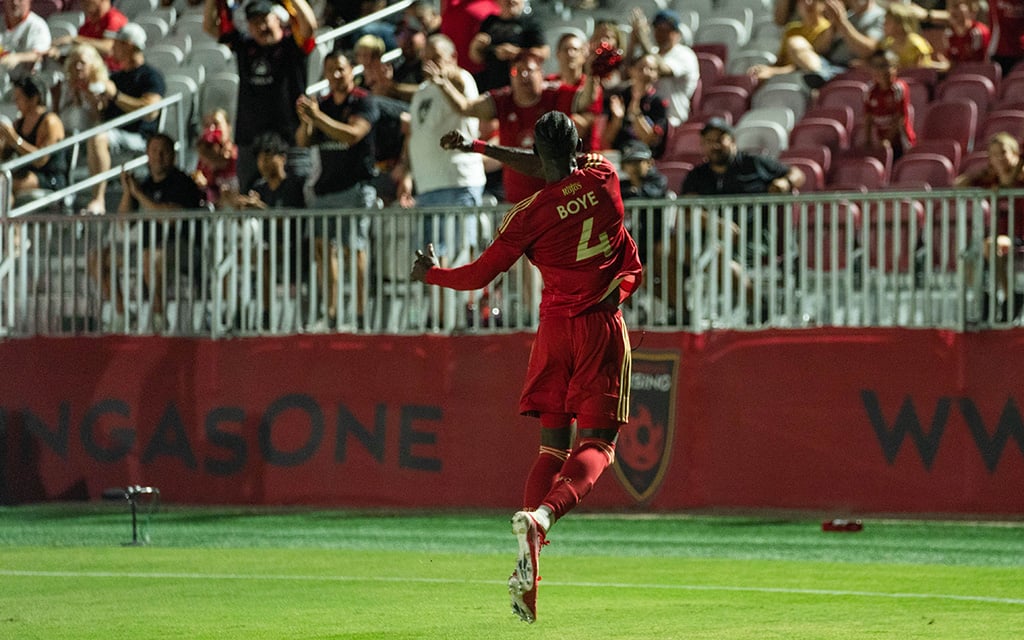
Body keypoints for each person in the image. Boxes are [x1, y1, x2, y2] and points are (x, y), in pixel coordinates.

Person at [411, 110, 642, 624]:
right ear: (579, 145)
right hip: (599, 325)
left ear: (539, 157)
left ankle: (531, 567)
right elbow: (556, 165)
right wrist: (479, 147)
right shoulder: (604, 176)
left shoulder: (527, 216)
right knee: (598, 445)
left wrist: (433, 275)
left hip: (554, 334)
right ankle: (542, 517)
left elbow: (478, 277)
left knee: (551, 448)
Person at [432, 49, 600, 203]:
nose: (523, 76)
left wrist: (592, 74)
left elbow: (587, 100)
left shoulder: (555, 94)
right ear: (510, 77)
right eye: (517, 71)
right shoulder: (502, 100)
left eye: (529, 70)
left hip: (556, 199)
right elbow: (466, 108)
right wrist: (444, 85)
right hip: (518, 203)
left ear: (541, 74)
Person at [682, 118, 805, 317]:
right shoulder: (697, 175)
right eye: (708, 141)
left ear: (732, 141)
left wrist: (786, 182)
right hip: (710, 239)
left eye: (719, 139)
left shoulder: (754, 164)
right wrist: (715, 224)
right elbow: (687, 206)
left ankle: (760, 307)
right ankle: (682, 314)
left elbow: (798, 174)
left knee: (716, 256)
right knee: (669, 249)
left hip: (754, 238)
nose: (714, 145)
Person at [295, 49, 379, 329]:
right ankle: (330, 314)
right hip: (325, 190)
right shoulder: (324, 104)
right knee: (323, 251)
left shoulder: (364, 102)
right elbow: (303, 142)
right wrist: (307, 118)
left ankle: (359, 314)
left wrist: (317, 117)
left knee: (354, 249)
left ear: (351, 70)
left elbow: (353, 134)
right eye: (330, 69)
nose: (336, 74)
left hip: (355, 187)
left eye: (341, 68)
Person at [90, 133, 205, 331]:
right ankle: (121, 313)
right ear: (147, 154)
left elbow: (167, 215)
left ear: (173, 156)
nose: (159, 157)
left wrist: (140, 196)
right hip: (144, 248)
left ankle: (158, 318)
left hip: (181, 248)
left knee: (152, 257)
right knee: (98, 258)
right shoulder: (145, 185)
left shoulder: (183, 183)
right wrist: (128, 192)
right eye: (154, 151)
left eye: (164, 152)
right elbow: (123, 222)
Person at [203, 0, 318, 192]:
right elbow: (209, 26)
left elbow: (310, 27)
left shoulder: (293, 44)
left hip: (290, 139)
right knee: (250, 199)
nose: (261, 27)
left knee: (294, 199)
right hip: (251, 141)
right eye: (254, 23)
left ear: (277, 19)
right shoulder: (245, 47)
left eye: (265, 19)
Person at [83, 23, 165, 215]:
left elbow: (151, 111)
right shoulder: (116, 77)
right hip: (114, 133)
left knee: (98, 137)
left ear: (129, 45)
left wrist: (117, 96)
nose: (113, 48)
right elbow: (101, 114)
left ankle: (98, 198)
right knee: (96, 134)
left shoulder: (150, 76)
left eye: (117, 43)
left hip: (139, 137)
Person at [231, 131, 307, 330]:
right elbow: (248, 225)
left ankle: (265, 314)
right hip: (265, 246)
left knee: (264, 258)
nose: (263, 163)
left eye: (268, 157)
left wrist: (261, 210)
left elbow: (292, 224)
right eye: (259, 158)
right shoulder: (259, 188)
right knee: (234, 258)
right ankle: (236, 313)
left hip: (293, 248)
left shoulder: (294, 185)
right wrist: (238, 208)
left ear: (282, 158)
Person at [954, 131, 1024, 321]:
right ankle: (985, 300)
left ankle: (1011, 298)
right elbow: (958, 185)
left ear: (1015, 154)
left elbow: (1011, 186)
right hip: (998, 234)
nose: (998, 158)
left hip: (1019, 235)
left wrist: (1013, 175)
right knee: (968, 255)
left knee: (991, 245)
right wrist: (985, 173)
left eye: (1002, 152)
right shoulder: (991, 179)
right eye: (993, 154)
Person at [625, 8, 699, 128]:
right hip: (645, 116)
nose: (661, 34)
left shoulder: (685, 54)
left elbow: (661, 69)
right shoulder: (652, 52)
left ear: (677, 34)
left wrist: (643, 38)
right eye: (658, 29)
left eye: (667, 30)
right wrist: (633, 42)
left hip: (671, 121)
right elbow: (627, 73)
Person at [0, 76, 68, 197]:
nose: (16, 102)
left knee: (3, 183)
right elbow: (5, 155)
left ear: (33, 98)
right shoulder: (20, 122)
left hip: (49, 177)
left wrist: (14, 139)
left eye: (19, 98)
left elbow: (40, 160)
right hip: (25, 173)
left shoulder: (50, 122)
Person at [469, 0, 548, 92]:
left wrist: (518, 53)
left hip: (521, 86)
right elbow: (477, 58)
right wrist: (475, 46)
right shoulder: (489, 22)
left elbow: (544, 53)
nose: (510, 1)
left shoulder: (530, 23)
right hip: (493, 84)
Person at [802, 0, 886, 88]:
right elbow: (819, 49)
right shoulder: (846, 15)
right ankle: (821, 74)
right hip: (828, 66)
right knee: (798, 44)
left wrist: (842, 23)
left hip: (851, 72)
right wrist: (833, 25)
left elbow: (867, 50)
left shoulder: (879, 16)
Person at [601, 53, 670, 159]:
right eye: (641, 68)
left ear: (657, 75)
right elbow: (608, 138)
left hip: (645, 157)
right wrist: (617, 119)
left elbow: (649, 140)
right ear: (631, 70)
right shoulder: (620, 97)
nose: (645, 72)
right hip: (619, 154)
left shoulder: (658, 102)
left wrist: (636, 114)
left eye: (651, 69)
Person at [748, 0, 835, 82]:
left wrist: (773, 71)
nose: (808, 3)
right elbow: (780, 61)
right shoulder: (792, 29)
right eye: (802, 0)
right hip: (783, 77)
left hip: (803, 79)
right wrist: (764, 69)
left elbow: (806, 65)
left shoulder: (826, 30)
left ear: (823, 5)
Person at [862, 48, 915, 160]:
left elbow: (900, 117)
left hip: (900, 141)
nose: (881, 71)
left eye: (885, 66)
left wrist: (887, 139)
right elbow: (868, 116)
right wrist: (867, 140)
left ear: (895, 67)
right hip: (882, 141)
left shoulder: (898, 88)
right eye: (876, 66)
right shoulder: (869, 90)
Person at [48, 0, 128, 72]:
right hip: (90, 74)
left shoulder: (113, 18)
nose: (83, 2)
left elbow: (108, 48)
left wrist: (73, 39)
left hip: (113, 74)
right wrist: (57, 56)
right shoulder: (87, 26)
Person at [57, 43, 109, 135]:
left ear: (92, 65)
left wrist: (88, 94)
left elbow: (99, 118)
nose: (78, 67)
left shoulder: (99, 87)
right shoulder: (65, 85)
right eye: (74, 63)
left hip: (89, 134)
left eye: (82, 63)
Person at [193, 108, 239, 208]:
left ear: (228, 126)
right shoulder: (202, 156)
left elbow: (223, 162)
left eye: (216, 123)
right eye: (207, 125)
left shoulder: (235, 153)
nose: (211, 129)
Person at [0, 0, 51, 81]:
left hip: (26, 84)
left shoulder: (37, 25)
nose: (15, 2)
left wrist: (17, 58)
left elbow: (41, 55)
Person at [934, 0, 991, 71]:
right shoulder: (948, 34)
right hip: (958, 76)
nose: (952, 11)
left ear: (971, 11)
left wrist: (951, 65)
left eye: (957, 6)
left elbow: (979, 63)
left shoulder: (978, 32)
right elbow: (950, 60)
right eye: (950, 7)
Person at [880, 2, 935, 70]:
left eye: (887, 22)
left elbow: (922, 69)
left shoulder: (915, 44)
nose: (883, 24)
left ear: (900, 25)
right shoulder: (887, 43)